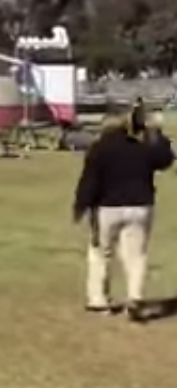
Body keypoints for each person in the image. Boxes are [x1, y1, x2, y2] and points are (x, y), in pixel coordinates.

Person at [74, 115, 175, 322]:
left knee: (101, 253)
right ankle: (135, 298)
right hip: (140, 206)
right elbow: (165, 159)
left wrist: (81, 206)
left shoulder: (99, 149)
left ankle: (98, 299)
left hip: (108, 208)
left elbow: (90, 181)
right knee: (136, 255)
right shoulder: (141, 147)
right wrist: (156, 134)